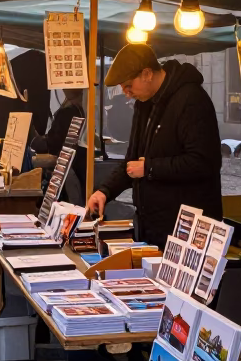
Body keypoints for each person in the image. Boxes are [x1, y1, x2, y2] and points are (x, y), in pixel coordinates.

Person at [87, 43, 222, 249]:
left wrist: (150, 168)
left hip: (188, 232)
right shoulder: (145, 103)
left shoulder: (192, 100)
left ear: (147, 74)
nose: (126, 93)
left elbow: (204, 162)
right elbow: (131, 162)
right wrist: (104, 191)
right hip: (153, 228)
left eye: (128, 86)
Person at [30, 88, 87, 200]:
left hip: (67, 166)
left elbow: (53, 144)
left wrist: (34, 139)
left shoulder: (66, 112)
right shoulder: (81, 110)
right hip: (77, 162)